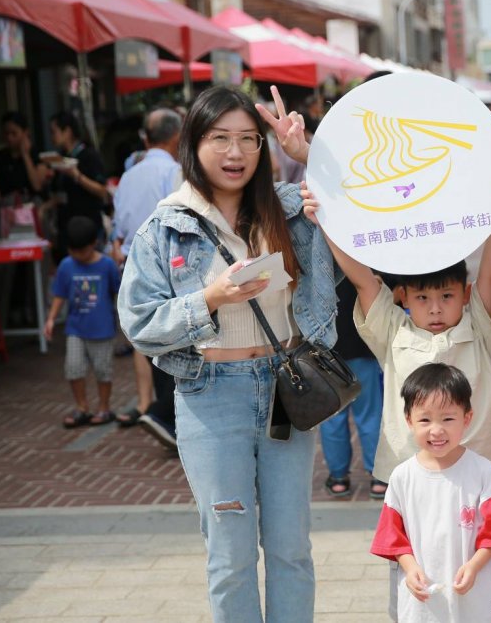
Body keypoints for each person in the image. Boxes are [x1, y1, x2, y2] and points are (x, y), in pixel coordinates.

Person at [119, 85, 338, 622]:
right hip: (211, 396)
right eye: (220, 138)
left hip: (287, 389)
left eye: (248, 139)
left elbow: (366, 208)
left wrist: (308, 155)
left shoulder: (292, 210)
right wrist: (209, 299)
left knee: (291, 548)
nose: (235, 152)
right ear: (192, 144)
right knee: (231, 557)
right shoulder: (166, 227)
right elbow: (139, 323)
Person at [301, 185, 491, 618]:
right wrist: (326, 219)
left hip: (480, 472)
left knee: (486, 577)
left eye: (447, 296)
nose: (436, 308)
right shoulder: (393, 332)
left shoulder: (478, 325)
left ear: (465, 293)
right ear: (402, 298)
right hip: (411, 475)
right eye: (422, 297)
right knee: (414, 580)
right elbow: (362, 277)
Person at [371, 363, 491, 622]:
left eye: (448, 418)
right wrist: (410, 568)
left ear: (467, 418)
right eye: (425, 419)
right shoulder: (402, 477)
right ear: (409, 420)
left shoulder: (482, 471)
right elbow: (393, 538)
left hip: (475, 591)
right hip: (423, 595)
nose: (437, 430)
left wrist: (474, 566)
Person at [110, 107, 183, 444]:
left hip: (131, 263)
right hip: (168, 266)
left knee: (144, 339)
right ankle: (165, 414)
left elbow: (117, 226)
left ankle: (150, 407)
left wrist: (119, 248)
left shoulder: (129, 174)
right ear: (175, 137)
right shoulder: (173, 172)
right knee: (173, 339)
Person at [45, 216, 122, 427]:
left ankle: (104, 408)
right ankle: (82, 407)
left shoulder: (107, 265)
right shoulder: (66, 266)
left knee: (103, 370)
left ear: (93, 244)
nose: (77, 256)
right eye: (73, 251)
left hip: (102, 329)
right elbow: (60, 294)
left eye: (82, 251)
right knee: (73, 368)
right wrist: (51, 319)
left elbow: (118, 293)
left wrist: (125, 320)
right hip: (75, 329)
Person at [320, 278, 386, 499]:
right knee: (370, 414)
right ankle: (378, 476)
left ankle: (338, 478)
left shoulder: (316, 250)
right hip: (362, 345)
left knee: (332, 417)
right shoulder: (360, 250)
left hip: (327, 350)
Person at [45, 112, 109, 262]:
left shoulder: (88, 155)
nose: (52, 137)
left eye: (54, 132)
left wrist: (76, 176)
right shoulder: (59, 157)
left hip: (88, 229)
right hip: (65, 230)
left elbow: (102, 191)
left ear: (67, 131)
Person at [0, 111, 48, 203]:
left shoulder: (38, 154)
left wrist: (26, 155)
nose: (9, 138)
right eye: (6, 133)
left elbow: (37, 185)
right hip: (7, 207)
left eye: (14, 133)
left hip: (32, 206)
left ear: (25, 132)